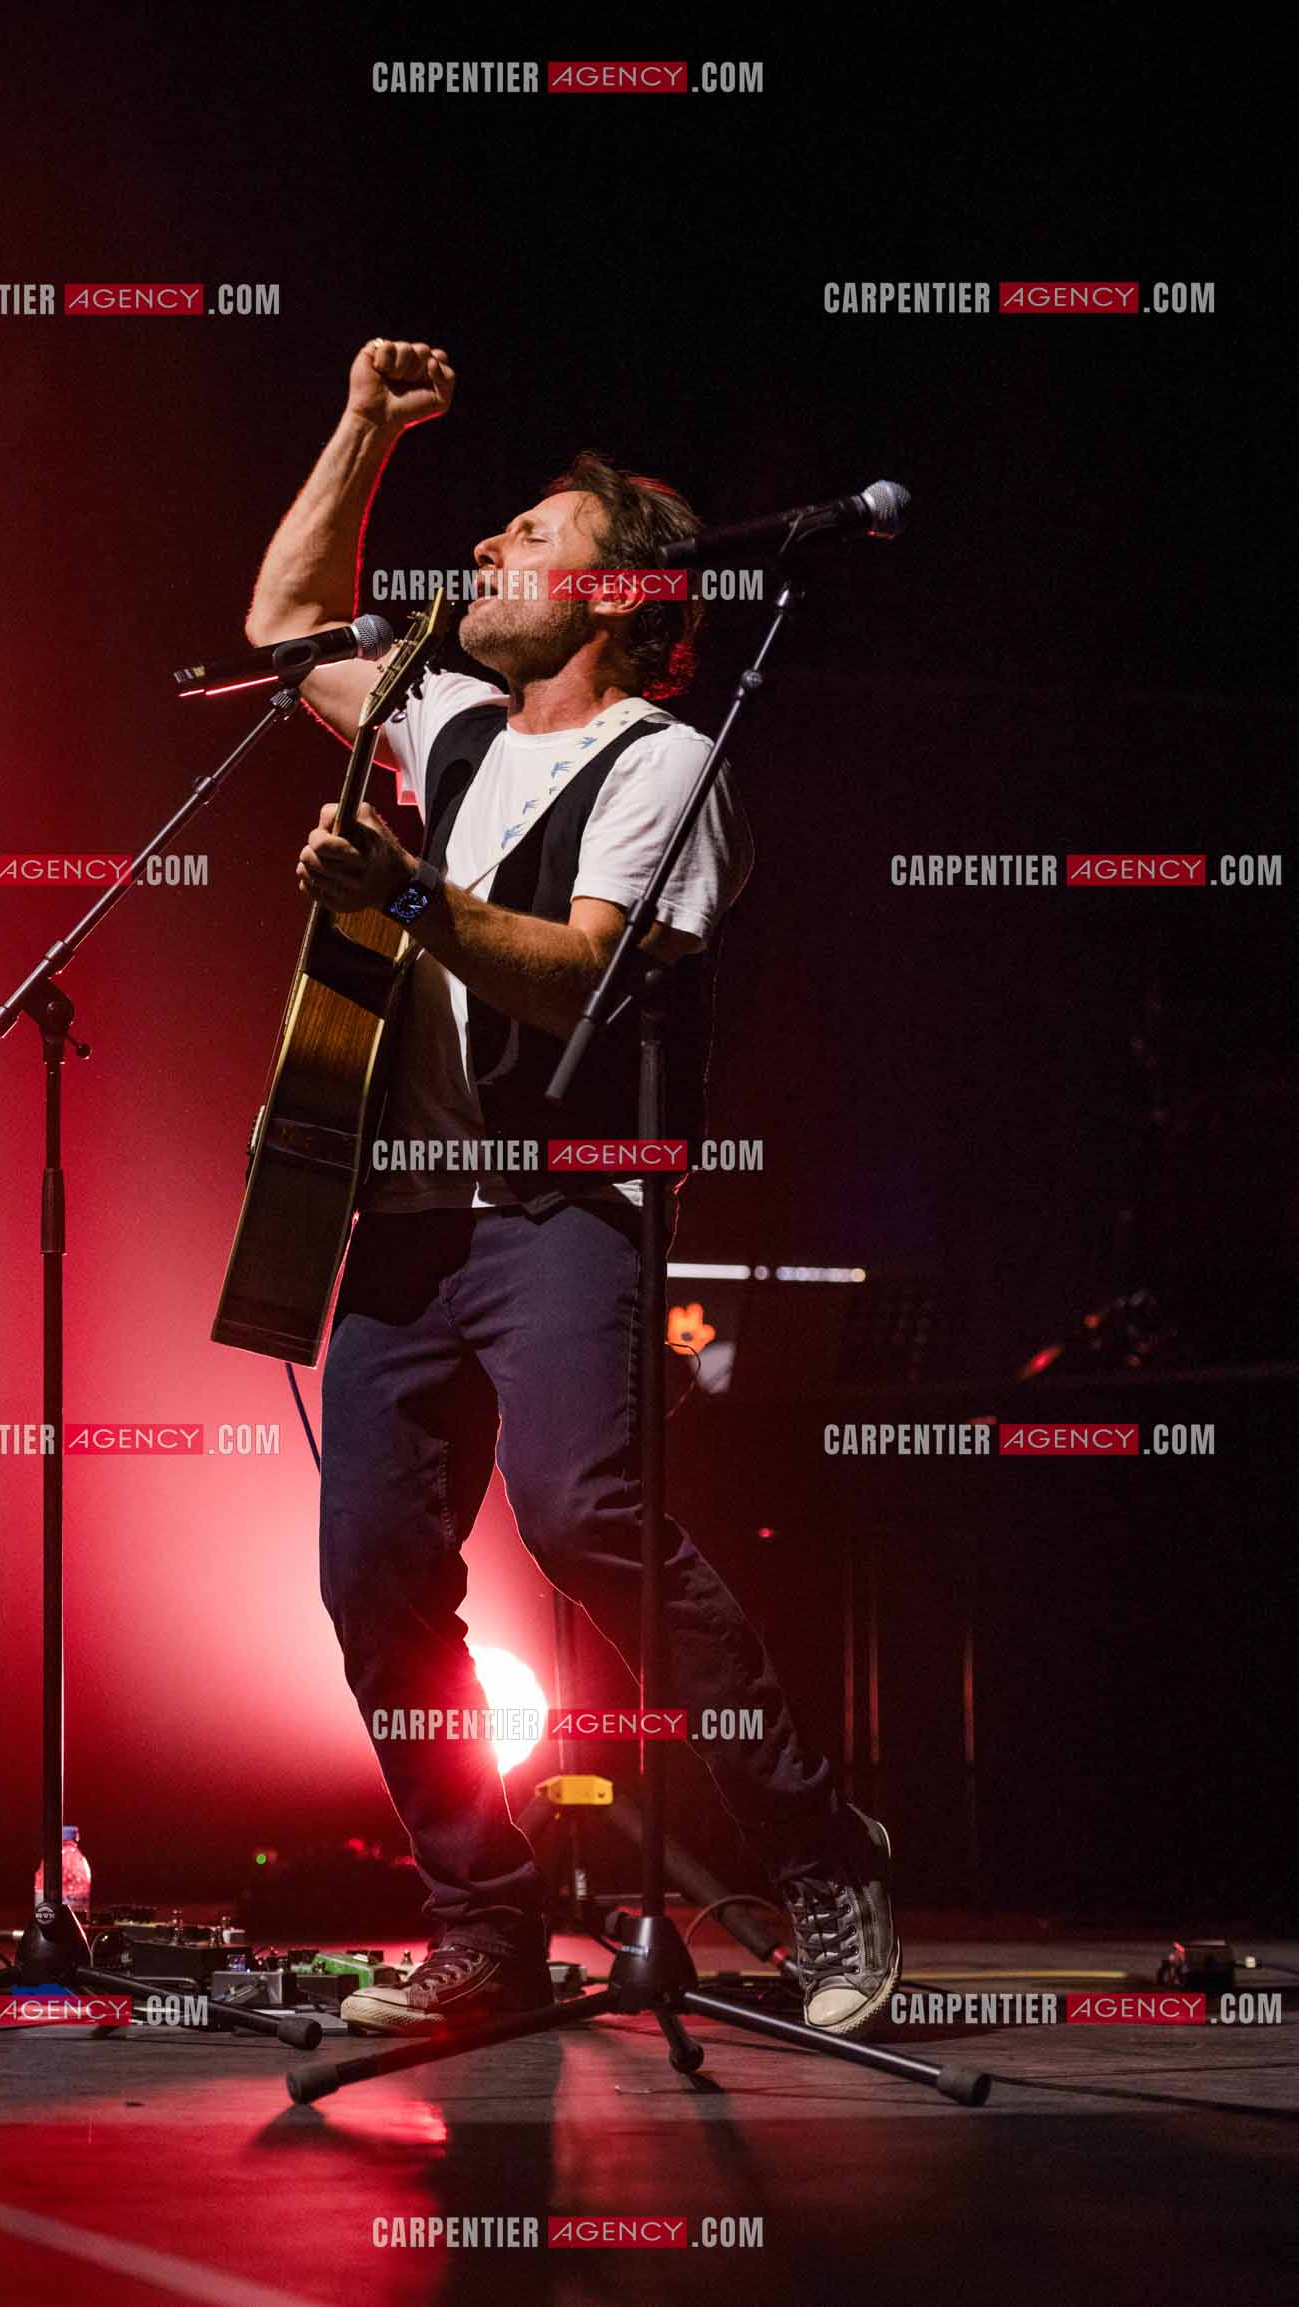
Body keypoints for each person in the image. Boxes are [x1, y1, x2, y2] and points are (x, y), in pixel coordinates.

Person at [244, 336, 897, 2038]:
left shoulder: (667, 762)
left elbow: (586, 975)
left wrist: (410, 904)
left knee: (583, 1514)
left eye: (522, 534)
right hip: (408, 1209)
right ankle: (487, 1922)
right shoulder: (442, 721)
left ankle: (824, 1853)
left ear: (608, 588)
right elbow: (285, 628)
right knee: (368, 1571)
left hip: (562, 1205)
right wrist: (364, 424)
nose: (479, 557)